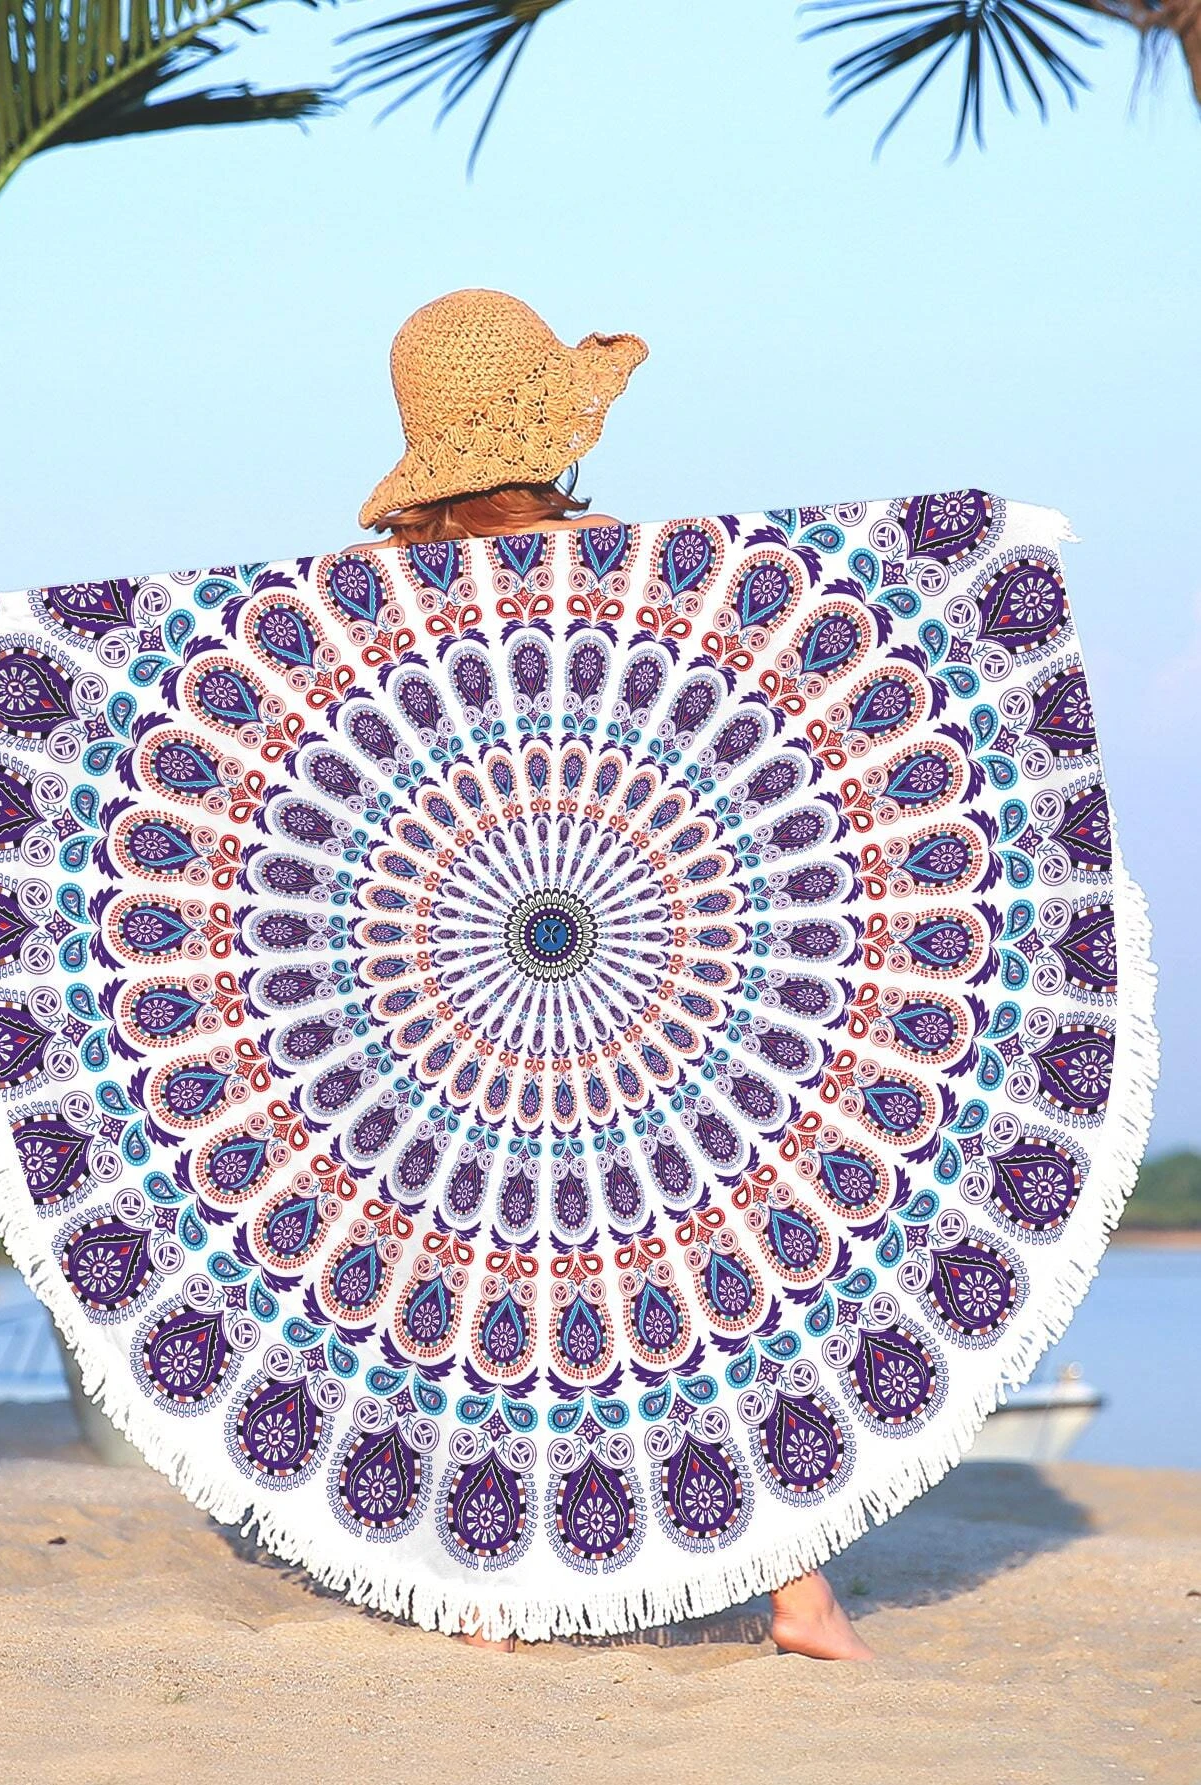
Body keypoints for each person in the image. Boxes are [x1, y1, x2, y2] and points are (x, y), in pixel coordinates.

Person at [356, 288, 874, 1663]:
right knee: (713, 1250)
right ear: (550, 429)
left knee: (481, 1263)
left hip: (452, 978)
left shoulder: (379, 603)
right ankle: (798, 1592)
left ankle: (491, 1584)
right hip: (645, 960)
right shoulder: (634, 572)